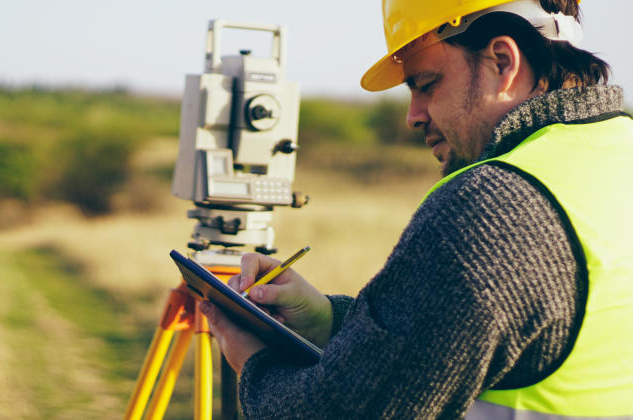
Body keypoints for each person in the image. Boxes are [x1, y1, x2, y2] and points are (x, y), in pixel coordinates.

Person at [199, 0, 633, 418]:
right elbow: (495, 340)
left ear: (502, 62)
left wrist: (254, 362)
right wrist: (331, 321)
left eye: (426, 85)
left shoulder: (490, 207)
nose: (413, 116)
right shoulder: (617, 150)